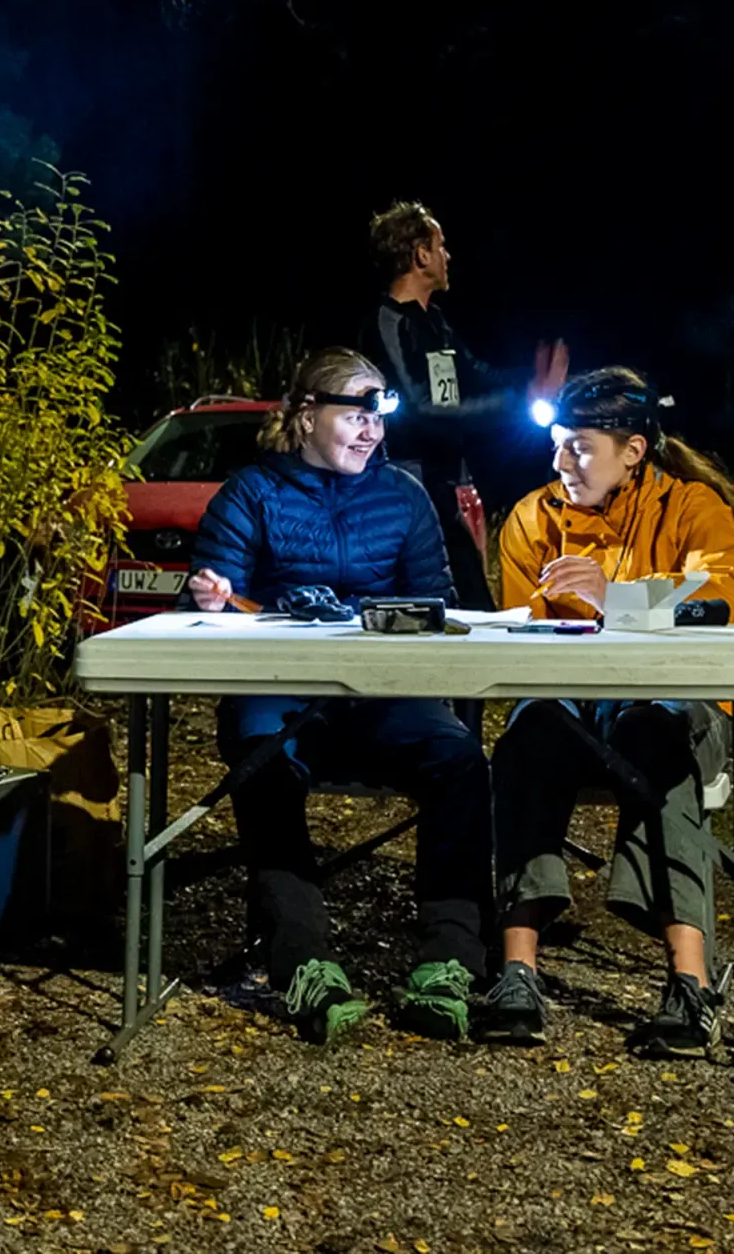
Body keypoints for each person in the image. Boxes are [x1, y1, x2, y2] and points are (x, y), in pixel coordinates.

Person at [186, 347, 492, 1045]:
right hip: (280, 693)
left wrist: (390, 623)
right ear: (303, 414)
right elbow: (211, 597)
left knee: (458, 757)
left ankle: (448, 961)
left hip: (381, 697)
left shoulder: (403, 497)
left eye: (378, 414)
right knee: (262, 760)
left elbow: (436, 604)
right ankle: (303, 962)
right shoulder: (250, 493)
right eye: (355, 410)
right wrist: (211, 595)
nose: (369, 429)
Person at [482, 367, 734, 1056]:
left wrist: (614, 597)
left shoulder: (694, 508)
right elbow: (518, 630)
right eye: (557, 445)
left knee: (655, 733)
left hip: (680, 704)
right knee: (528, 732)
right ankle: (515, 971)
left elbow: (717, 606)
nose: (559, 463)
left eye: (580, 447)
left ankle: (691, 983)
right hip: (571, 701)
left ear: (633, 450)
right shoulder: (532, 516)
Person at [362, 199, 569, 610]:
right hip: (409, 489)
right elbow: (421, 409)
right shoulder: (388, 322)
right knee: (461, 605)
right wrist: (520, 400)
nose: (447, 255)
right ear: (420, 255)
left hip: (446, 483)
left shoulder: (434, 320)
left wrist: (532, 381)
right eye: (440, 246)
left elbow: (473, 374)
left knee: (471, 604)